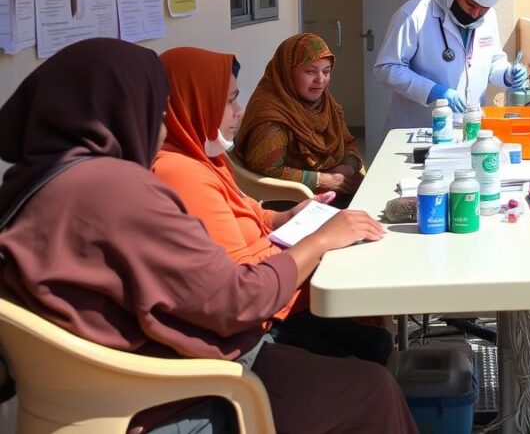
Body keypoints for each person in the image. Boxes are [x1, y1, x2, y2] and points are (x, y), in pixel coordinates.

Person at [0, 38, 416, 434]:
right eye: (155, 104)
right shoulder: (117, 191)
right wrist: (321, 240)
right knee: (372, 390)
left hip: (94, 396)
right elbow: (239, 299)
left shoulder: (30, 184)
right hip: (169, 397)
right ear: (117, 108)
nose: (165, 117)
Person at [153, 46, 393, 365]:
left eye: (326, 71)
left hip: (275, 289)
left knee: (373, 329)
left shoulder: (204, 155)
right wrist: (320, 240)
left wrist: (286, 216)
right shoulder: (180, 173)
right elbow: (242, 283)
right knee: (372, 345)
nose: (238, 111)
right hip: (260, 324)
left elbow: (248, 213)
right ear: (191, 103)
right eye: (228, 101)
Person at [374, 0, 528, 131]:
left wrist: (506, 74)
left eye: (483, 8)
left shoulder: (488, 18)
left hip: (470, 126)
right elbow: (387, 68)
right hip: (420, 127)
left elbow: (491, 61)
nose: (475, 14)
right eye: (470, 4)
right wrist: (433, 91)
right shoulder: (414, 14)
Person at [234, 33, 363, 198]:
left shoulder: (326, 104)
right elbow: (267, 169)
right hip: (291, 202)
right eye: (310, 71)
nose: (321, 80)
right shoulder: (272, 116)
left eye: (326, 71)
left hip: (334, 188)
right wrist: (321, 179)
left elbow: (348, 142)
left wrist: (347, 168)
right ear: (288, 73)